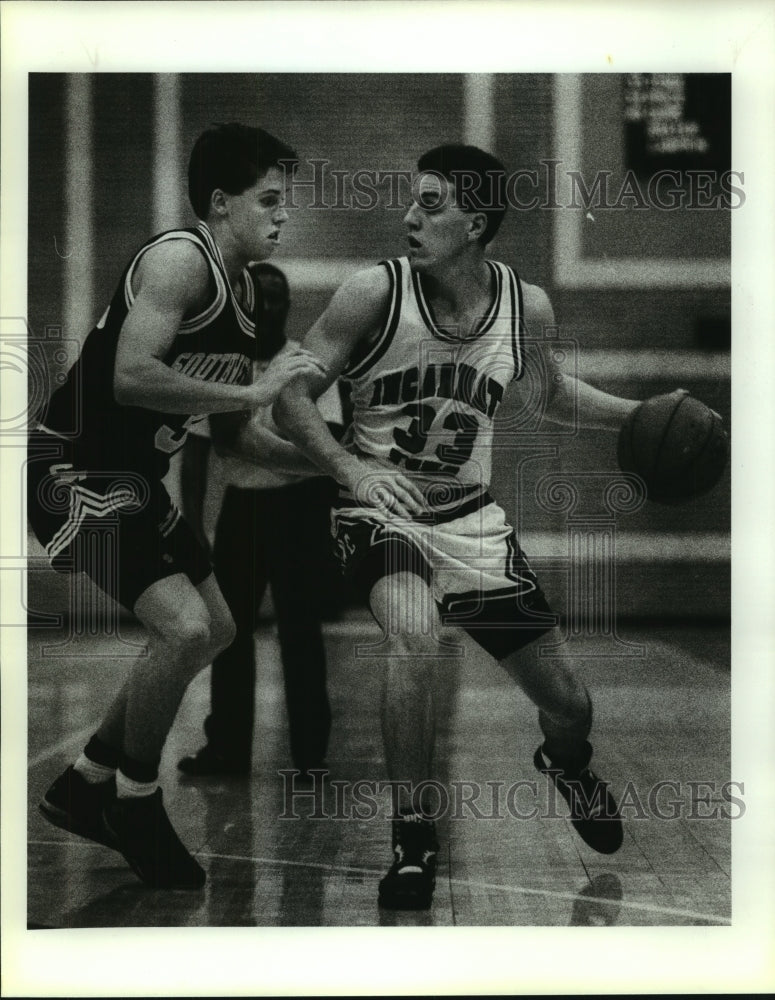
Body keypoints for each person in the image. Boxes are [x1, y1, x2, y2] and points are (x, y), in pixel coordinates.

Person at [274, 143, 651, 911]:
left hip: (471, 524)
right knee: (412, 639)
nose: (411, 216)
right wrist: (352, 471)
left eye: (433, 203)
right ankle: (413, 835)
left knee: (570, 705)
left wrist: (639, 416)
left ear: (474, 223)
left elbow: (546, 395)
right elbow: (289, 395)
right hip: (380, 512)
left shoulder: (525, 306)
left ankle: (566, 765)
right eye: (414, 200)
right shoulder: (371, 292)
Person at [27, 123, 326, 890]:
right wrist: (255, 389)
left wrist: (340, 470)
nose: (282, 215)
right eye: (268, 200)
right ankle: (133, 798)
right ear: (220, 203)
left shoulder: (249, 294)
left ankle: (84, 779)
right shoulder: (176, 261)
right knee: (183, 625)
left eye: (284, 202)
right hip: (74, 473)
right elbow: (131, 375)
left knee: (218, 628)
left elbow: (236, 438)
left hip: (134, 483)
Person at [177, 262, 344, 779]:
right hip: (242, 511)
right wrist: (193, 528)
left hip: (299, 513)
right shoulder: (220, 368)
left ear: (288, 307)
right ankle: (226, 748)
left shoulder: (308, 366)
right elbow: (198, 453)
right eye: (257, 299)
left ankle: (310, 756)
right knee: (229, 633)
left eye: (276, 299)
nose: (266, 308)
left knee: (301, 632)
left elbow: (328, 444)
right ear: (242, 305)